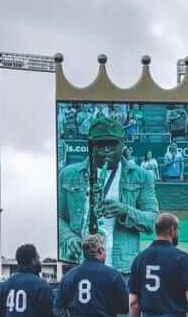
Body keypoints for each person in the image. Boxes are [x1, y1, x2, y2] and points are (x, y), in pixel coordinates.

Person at [58, 116, 158, 272]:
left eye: (112, 145)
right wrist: (69, 238)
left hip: (122, 269)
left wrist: (125, 211)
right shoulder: (68, 175)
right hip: (77, 264)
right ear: (90, 145)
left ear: (123, 145)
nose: (106, 151)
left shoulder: (142, 176)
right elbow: (58, 217)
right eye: (101, 145)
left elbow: (151, 220)